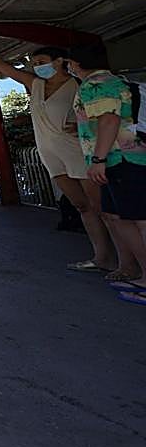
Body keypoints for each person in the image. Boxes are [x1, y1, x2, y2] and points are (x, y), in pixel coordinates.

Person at [0, 28, 116, 272]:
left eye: (42, 62)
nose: (37, 67)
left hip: (77, 150)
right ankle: (102, 257)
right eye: (34, 63)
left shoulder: (78, 84)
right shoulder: (34, 84)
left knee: (101, 207)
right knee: (81, 206)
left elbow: (103, 113)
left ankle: (128, 260)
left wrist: (83, 126)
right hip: (50, 154)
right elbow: (5, 68)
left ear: (60, 62)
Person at [67, 44, 146, 302]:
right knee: (117, 216)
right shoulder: (106, 81)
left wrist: (98, 159)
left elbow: (109, 120)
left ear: (75, 63)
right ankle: (135, 270)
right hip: (116, 160)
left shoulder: (96, 83)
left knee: (138, 219)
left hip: (122, 158)